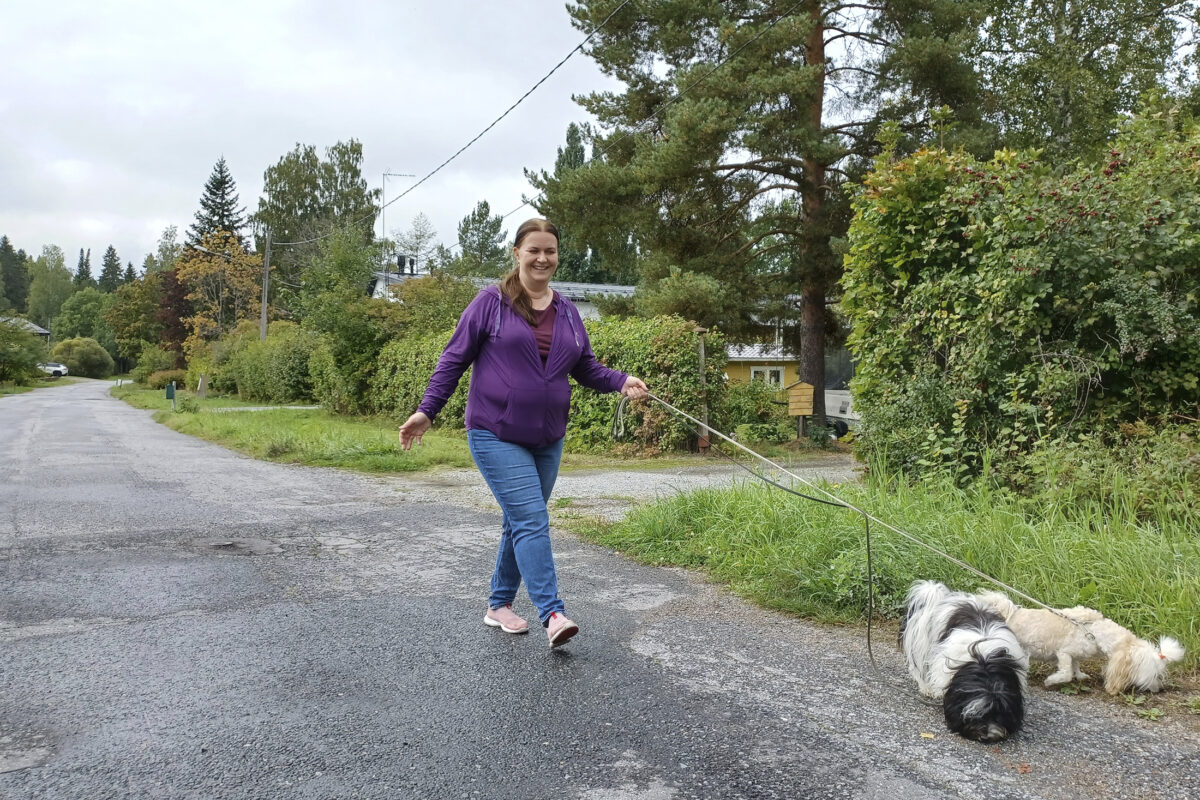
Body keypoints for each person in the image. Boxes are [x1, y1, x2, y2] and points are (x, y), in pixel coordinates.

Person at [398, 218, 648, 648]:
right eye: (534, 250)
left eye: (550, 250)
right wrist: (427, 411)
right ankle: (553, 613)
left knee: (520, 521)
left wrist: (621, 380)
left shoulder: (568, 311)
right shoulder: (490, 303)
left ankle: (498, 605)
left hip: (548, 437)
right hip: (495, 432)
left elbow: (585, 367)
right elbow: (453, 359)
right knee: (532, 519)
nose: (542, 258)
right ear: (517, 253)